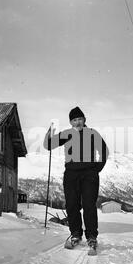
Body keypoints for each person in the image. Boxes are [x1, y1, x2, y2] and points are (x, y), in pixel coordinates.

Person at [43, 106, 109, 253]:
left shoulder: (92, 133)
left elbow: (104, 151)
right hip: (71, 174)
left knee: (89, 206)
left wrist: (96, 168)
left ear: (84, 120)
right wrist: (49, 135)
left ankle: (91, 237)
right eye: (74, 120)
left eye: (80, 119)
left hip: (89, 175)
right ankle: (75, 234)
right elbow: (48, 145)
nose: (77, 122)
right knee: (72, 205)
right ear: (71, 122)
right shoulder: (67, 134)